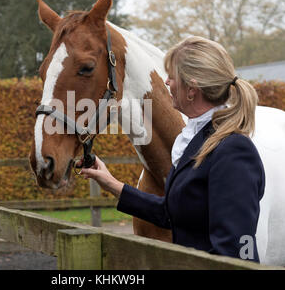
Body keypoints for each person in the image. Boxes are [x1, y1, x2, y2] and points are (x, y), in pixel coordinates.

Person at [80, 36, 265, 262]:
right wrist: (112, 184)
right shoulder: (197, 139)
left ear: (192, 89)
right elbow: (173, 212)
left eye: (172, 76)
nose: (167, 82)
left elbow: (236, 253)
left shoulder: (234, 151)